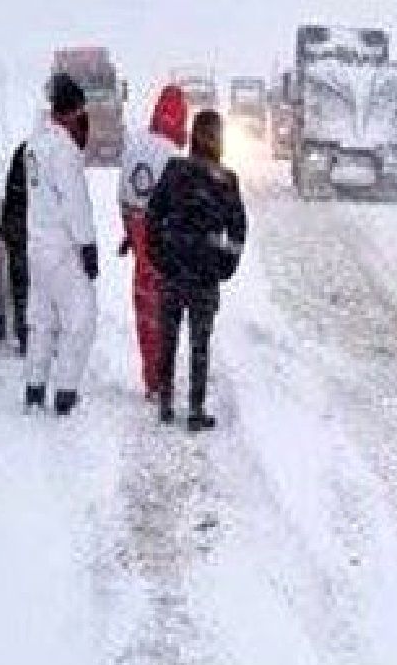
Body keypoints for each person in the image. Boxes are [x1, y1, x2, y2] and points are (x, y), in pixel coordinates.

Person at [146, 109, 246, 431]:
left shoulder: (175, 170)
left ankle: (165, 402)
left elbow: (152, 216)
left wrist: (158, 256)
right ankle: (195, 409)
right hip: (204, 273)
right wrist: (226, 265)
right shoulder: (226, 180)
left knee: (168, 336)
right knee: (199, 343)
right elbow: (238, 229)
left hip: (174, 270)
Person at [23, 74, 101, 416]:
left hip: (37, 245)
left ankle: (35, 386)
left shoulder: (35, 145)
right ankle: (66, 391)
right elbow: (75, 202)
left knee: (42, 319)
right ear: (72, 110)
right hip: (62, 247)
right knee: (80, 319)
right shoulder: (64, 151)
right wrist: (88, 245)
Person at [116, 84, 187, 399]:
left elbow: (122, 192)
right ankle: (162, 378)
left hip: (137, 230)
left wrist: (129, 232)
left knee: (144, 309)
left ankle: (151, 376)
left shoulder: (135, 145)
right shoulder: (173, 155)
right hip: (163, 238)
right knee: (165, 310)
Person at [0, 139, 30, 354]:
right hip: (27, 230)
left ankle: (28, 336)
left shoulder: (26, 151)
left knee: (23, 287)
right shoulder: (38, 152)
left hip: (20, 229)